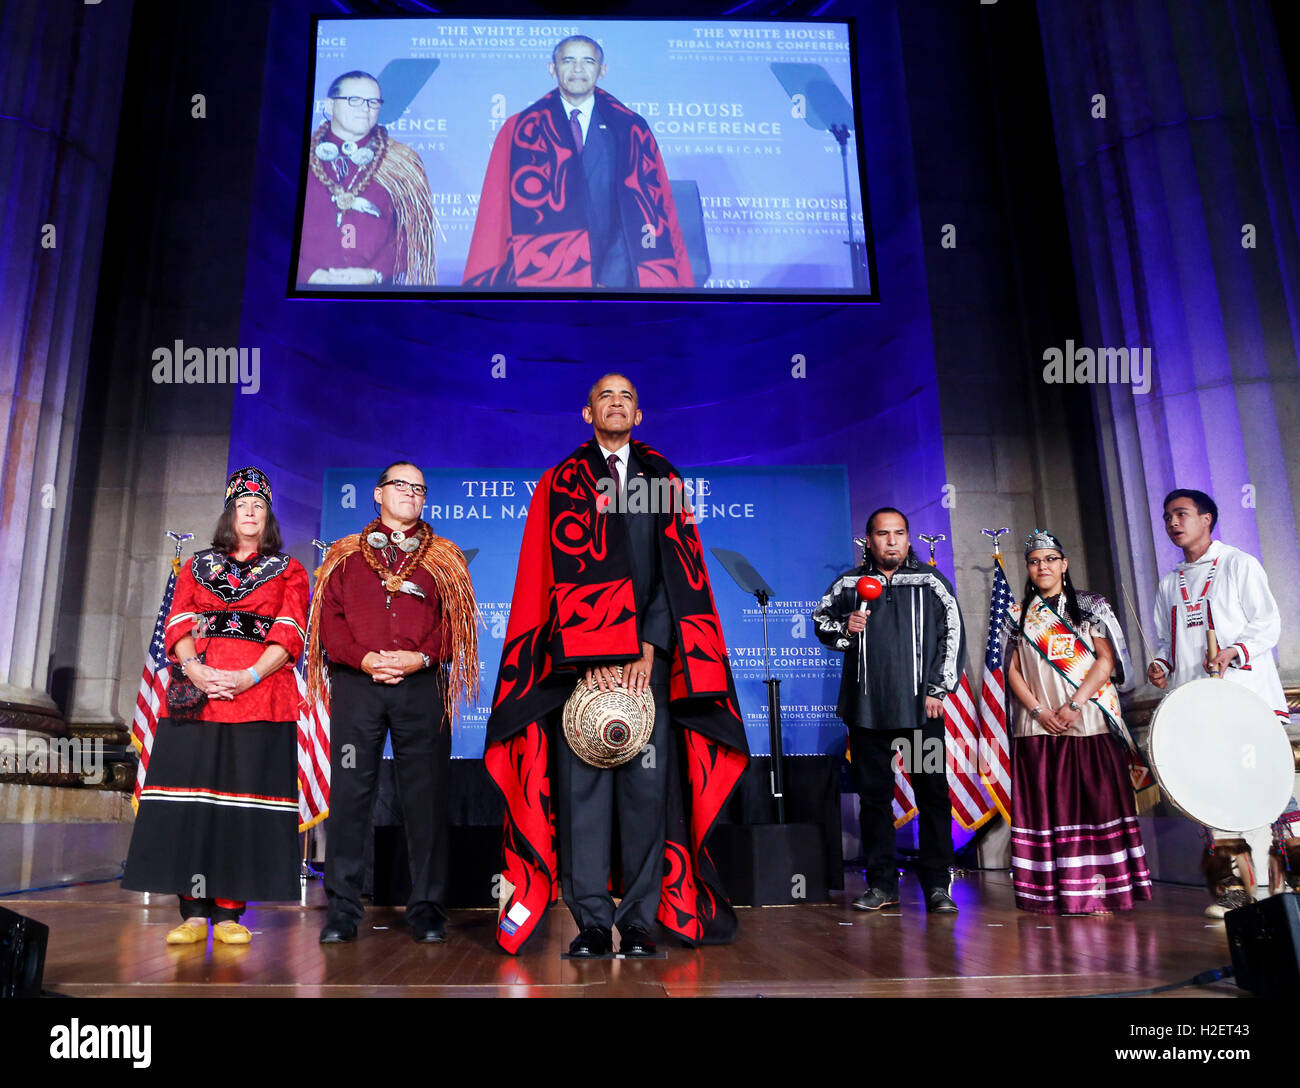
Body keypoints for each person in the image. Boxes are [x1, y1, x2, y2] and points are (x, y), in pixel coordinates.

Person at [484, 373, 748, 956]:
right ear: (587, 414)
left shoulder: (662, 480)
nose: (617, 403)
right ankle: (592, 923)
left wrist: (650, 644)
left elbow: (676, 571)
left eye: (627, 396)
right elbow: (544, 580)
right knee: (582, 794)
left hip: (646, 663)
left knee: (645, 790)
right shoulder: (560, 481)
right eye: (606, 396)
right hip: (577, 666)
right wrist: (589, 654)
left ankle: (638, 922)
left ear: (640, 414)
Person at [123, 468, 308, 945]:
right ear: (230, 513)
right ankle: (190, 912)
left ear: (268, 516)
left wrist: (247, 676)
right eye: (241, 505)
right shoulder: (197, 565)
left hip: (259, 696)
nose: (250, 512)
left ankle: (228, 913)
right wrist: (195, 670)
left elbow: (290, 634)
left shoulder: (290, 570)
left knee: (240, 805)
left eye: (259, 506)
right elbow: (179, 622)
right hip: (198, 696)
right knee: (191, 803)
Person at [305, 462, 479, 943]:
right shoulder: (342, 557)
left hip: (421, 687)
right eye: (401, 485)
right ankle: (342, 911)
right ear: (378, 494)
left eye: (420, 488)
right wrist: (364, 661)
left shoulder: (445, 558)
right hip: (357, 686)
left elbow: (457, 626)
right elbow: (330, 624)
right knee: (351, 795)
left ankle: (426, 909)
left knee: (425, 798)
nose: (411, 494)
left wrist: (419, 658)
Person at [1146, 488, 1293, 917]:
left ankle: (1291, 879)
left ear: (1207, 518)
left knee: (1270, 787)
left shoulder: (1238, 564)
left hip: (1245, 699)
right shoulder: (1169, 583)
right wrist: (1160, 664)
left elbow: (1267, 624)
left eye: (1181, 514)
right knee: (1216, 794)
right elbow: (1164, 641)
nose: (1173, 523)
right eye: (1167, 516)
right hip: (1199, 703)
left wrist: (1233, 651)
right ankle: (1233, 889)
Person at [813, 508, 966, 913]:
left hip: (920, 715)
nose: (893, 541)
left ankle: (937, 885)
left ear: (909, 538)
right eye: (883, 534)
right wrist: (847, 627)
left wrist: (938, 689)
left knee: (932, 795)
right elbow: (821, 621)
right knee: (874, 799)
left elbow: (952, 633)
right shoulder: (850, 584)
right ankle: (882, 885)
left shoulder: (931, 583)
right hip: (868, 714)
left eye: (899, 533)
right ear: (870, 539)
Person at [464, 36, 693, 289]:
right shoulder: (519, 131)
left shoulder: (630, 129)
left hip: (617, 276)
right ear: (552, 68)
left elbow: (641, 210)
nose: (578, 69)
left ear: (602, 70)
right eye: (568, 61)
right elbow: (498, 216)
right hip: (543, 277)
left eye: (588, 61)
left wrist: (611, 277)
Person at [1004, 530, 1153, 914]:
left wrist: (1073, 703)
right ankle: (1052, 892)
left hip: (1087, 719)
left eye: (1051, 559)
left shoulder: (1089, 606)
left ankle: (1103, 891)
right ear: (1028, 568)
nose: (1043, 567)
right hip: (1038, 726)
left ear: (1064, 564)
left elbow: (1106, 661)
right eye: (1035, 561)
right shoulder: (1018, 615)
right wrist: (1038, 710)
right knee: (1049, 808)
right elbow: (1013, 671)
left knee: (1095, 805)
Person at [296, 71, 437, 287]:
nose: (365, 109)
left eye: (373, 102)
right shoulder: (294, 157)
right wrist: (308, 274)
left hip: (375, 296)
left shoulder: (401, 162)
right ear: (330, 106)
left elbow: (413, 235)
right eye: (354, 100)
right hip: (303, 293)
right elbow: (274, 229)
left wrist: (373, 273)